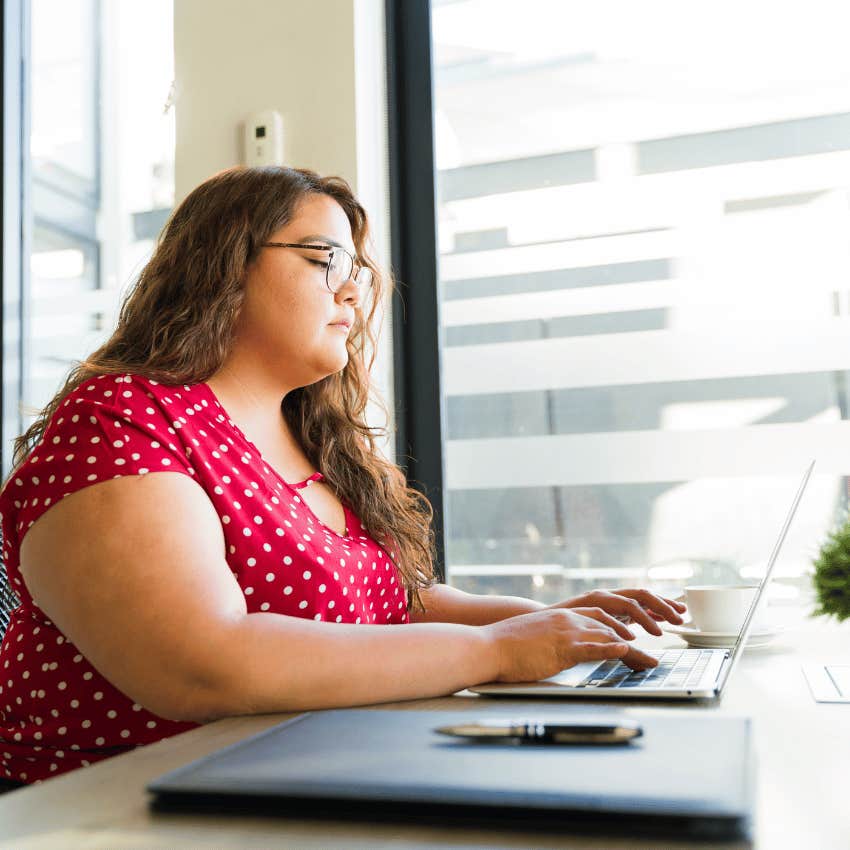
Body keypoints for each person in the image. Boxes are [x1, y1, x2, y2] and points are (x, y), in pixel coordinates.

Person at [0, 166, 686, 786]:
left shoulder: (310, 441)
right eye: (324, 258)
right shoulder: (122, 418)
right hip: (109, 810)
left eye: (357, 267)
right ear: (222, 265)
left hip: (290, 782)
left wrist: (562, 625)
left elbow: (394, 607)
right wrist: (495, 650)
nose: (354, 290)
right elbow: (199, 664)